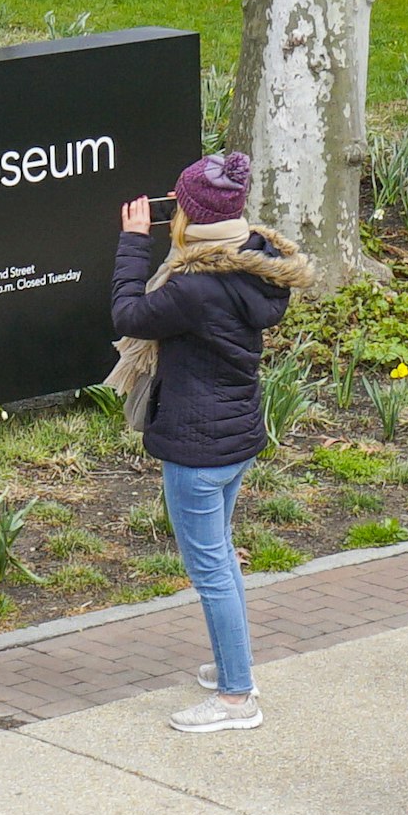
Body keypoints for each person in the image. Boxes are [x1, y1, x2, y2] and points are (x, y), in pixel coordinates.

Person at [112, 149, 310, 734]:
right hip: (237, 433)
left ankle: (235, 697)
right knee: (220, 556)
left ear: (189, 216)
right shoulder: (255, 263)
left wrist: (132, 243)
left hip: (198, 445)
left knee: (211, 568)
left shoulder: (195, 288)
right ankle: (233, 664)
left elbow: (128, 314)